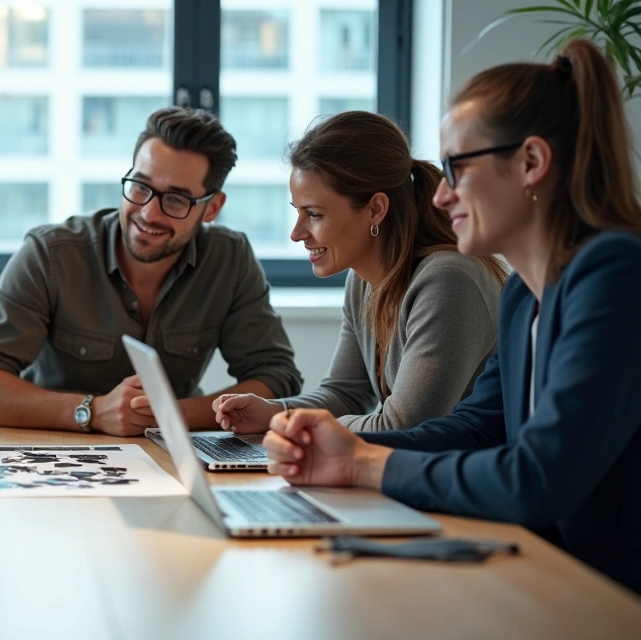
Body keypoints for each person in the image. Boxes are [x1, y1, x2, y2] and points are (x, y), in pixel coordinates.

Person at [261, 40, 641, 595]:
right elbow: (478, 427)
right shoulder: (523, 299)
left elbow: (535, 478)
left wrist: (363, 465)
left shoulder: (616, 276)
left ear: (531, 163)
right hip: (551, 575)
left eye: (455, 169)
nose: (440, 196)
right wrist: (343, 449)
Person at [0, 107, 302, 435]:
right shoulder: (51, 254)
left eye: (176, 200)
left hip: (171, 457)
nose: (149, 213)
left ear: (212, 208)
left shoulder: (230, 259)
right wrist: (93, 410)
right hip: (57, 452)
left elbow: (276, 377)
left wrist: (170, 414)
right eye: (140, 186)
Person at [212, 112, 508, 433]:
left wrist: (300, 425)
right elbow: (346, 394)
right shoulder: (363, 281)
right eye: (298, 212)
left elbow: (401, 427)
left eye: (314, 214)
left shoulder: (448, 281)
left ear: (375, 209)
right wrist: (274, 413)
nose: (297, 233)